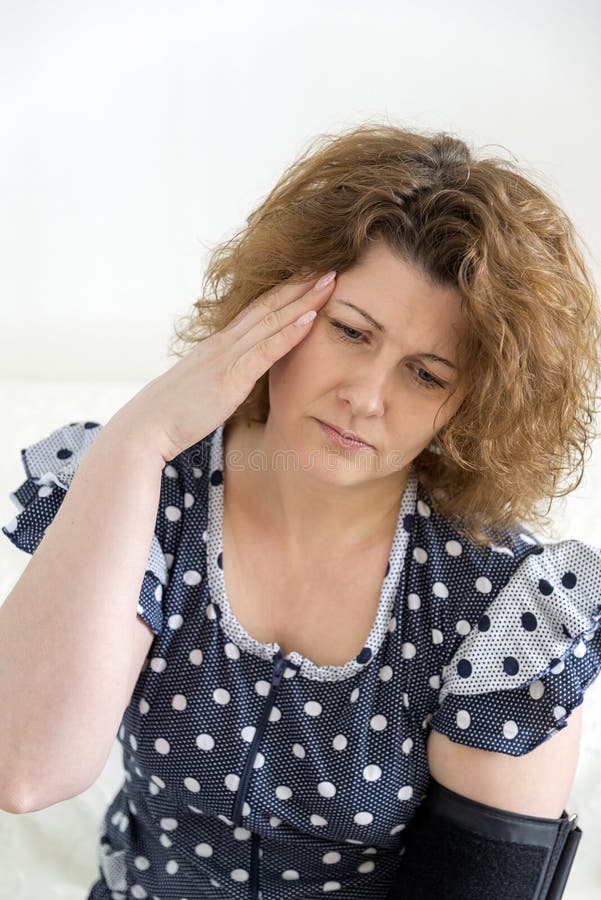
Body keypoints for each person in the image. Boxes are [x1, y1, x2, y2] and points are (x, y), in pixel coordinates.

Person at [1, 122, 600, 900]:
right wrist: (139, 438)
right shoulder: (144, 497)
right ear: (275, 302)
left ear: (472, 407)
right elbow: (23, 768)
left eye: (424, 374)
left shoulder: (501, 610)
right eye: (350, 331)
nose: (366, 396)